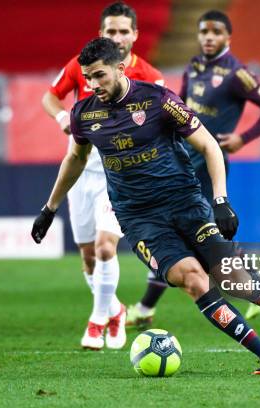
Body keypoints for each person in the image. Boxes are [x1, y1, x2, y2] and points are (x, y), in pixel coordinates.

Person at [32, 38, 260, 374]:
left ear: (120, 68)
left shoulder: (158, 101)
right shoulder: (84, 114)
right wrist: (49, 208)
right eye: (87, 78)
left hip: (184, 202)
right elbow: (75, 158)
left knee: (236, 282)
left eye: (99, 76)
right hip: (139, 218)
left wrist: (221, 201)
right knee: (193, 280)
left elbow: (210, 146)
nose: (93, 84)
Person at [127, 10, 260, 325]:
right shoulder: (194, 67)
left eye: (215, 32)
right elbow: (179, 107)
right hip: (181, 160)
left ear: (228, 37)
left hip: (208, 165)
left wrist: (243, 137)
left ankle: (145, 309)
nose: (208, 37)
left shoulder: (237, 73)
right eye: (204, 32)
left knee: (184, 234)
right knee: (195, 237)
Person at [41, 2, 164, 350]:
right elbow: (50, 97)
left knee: (106, 246)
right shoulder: (84, 65)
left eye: (125, 31)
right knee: (88, 257)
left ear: (136, 35)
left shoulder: (151, 78)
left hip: (120, 175)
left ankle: (96, 323)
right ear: (101, 33)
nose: (118, 37)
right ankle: (114, 309)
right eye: (111, 30)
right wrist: (63, 119)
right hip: (81, 169)